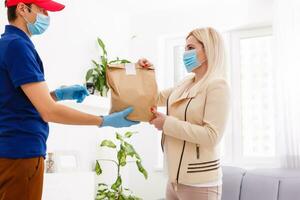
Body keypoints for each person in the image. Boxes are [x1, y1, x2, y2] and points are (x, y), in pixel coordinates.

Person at [0, 1, 139, 199]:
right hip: (21, 154)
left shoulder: (7, 43)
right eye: (42, 10)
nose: (47, 16)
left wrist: (58, 94)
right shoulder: (17, 46)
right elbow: (48, 111)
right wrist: (103, 121)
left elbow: (17, 103)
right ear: (22, 8)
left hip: (11, 151)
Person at [139, 27, 230, 200]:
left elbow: (212, 136)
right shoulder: (186, 83)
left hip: (200, 185)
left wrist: (166, 124)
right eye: (185, 48)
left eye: (190, 48)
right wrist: (148, 73)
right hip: (174, 181)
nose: (185, 54)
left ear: (208, 50)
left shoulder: (218, 86)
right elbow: (156, 98)